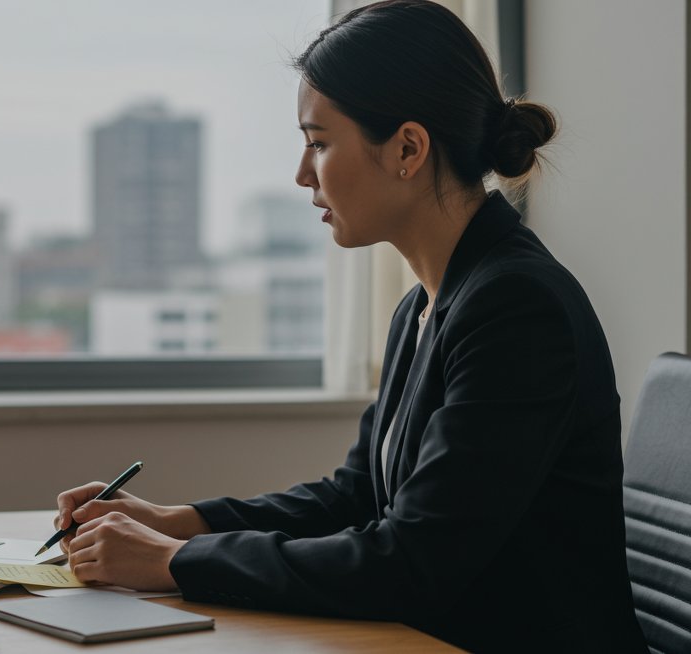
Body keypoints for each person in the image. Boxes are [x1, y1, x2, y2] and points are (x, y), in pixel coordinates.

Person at [51, 1, 647, 651]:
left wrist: (169, 562)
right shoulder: (428, 302)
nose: (303, 174)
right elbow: (357, 495)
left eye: (319, 143)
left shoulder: (515, 310)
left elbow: (409, 561)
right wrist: (178, 522)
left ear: (408, 149)